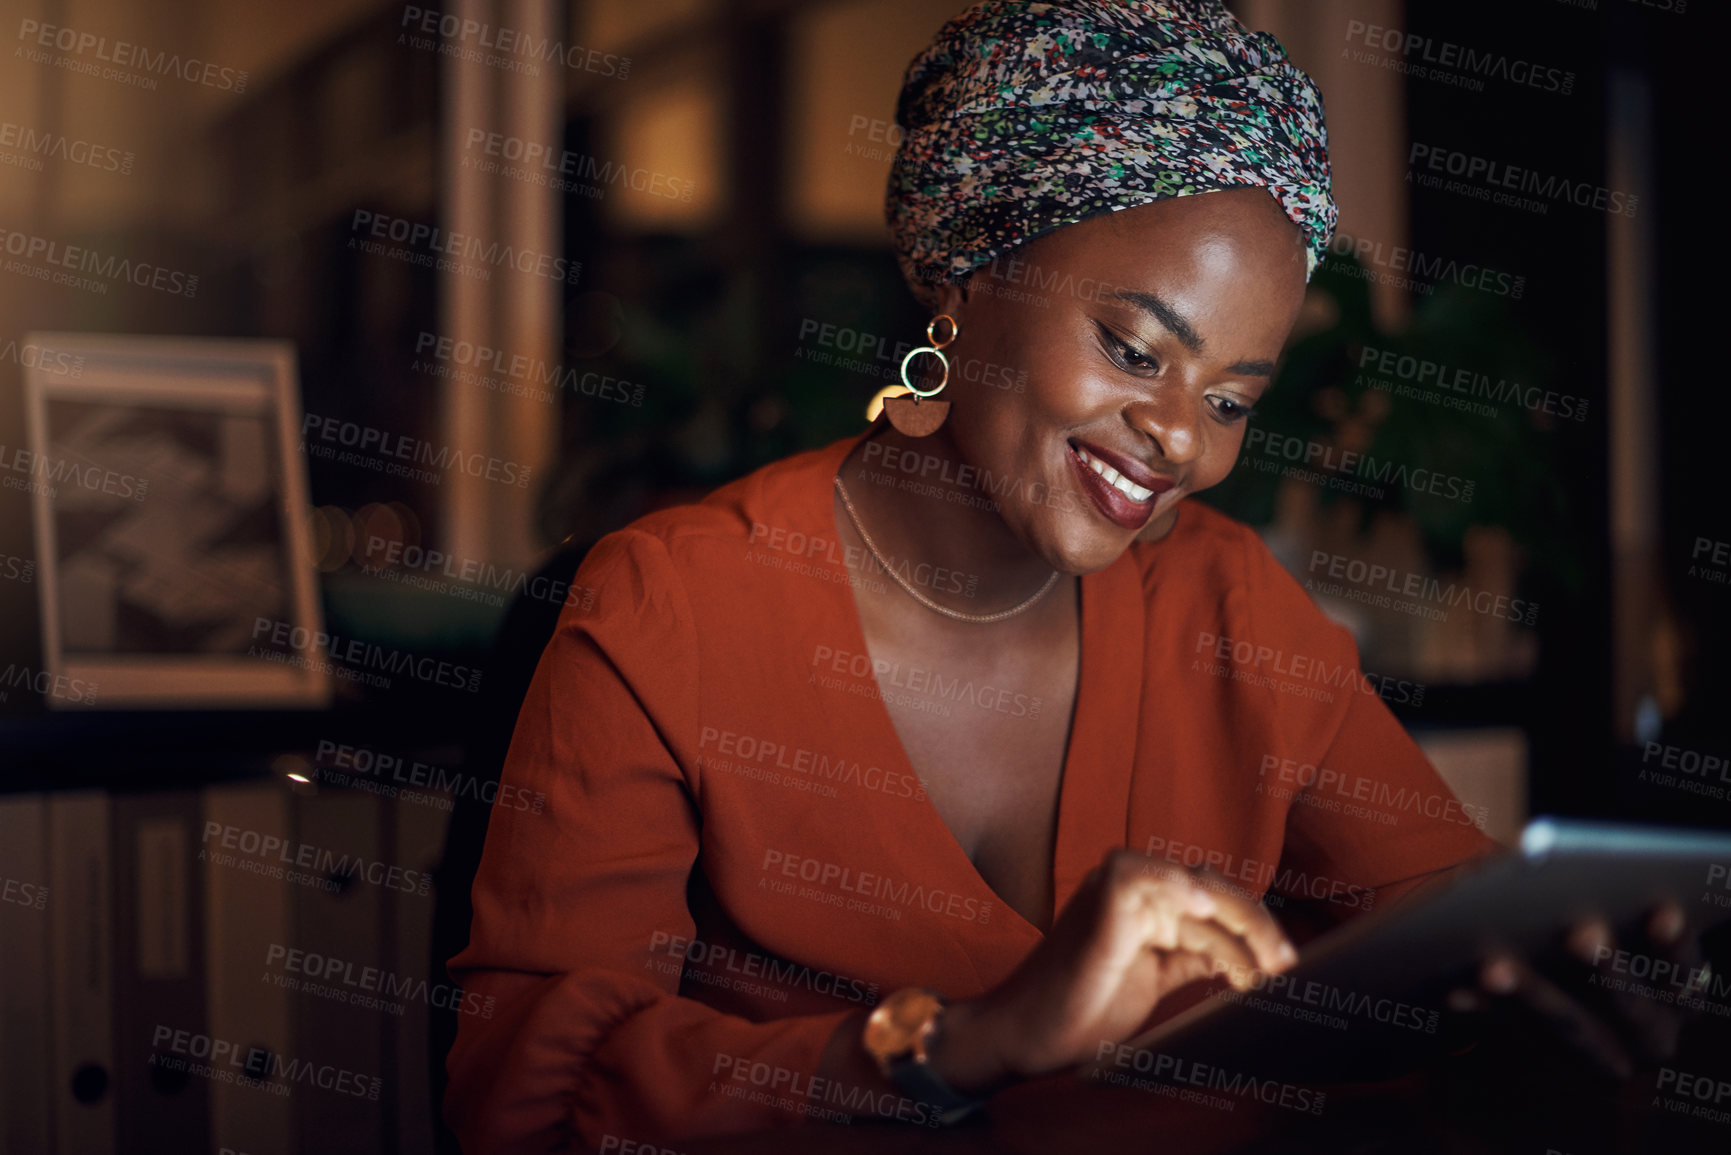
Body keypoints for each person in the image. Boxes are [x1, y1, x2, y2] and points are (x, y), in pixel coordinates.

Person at [442, 3, 1681, 1150]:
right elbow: (522, 1100)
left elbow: (1453, 948)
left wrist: (1553, 1025)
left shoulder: (1227, 605)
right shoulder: (668, 607)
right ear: (965, 274)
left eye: (1235, 398)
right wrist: (956, 1047)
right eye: (1135, 348)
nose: (1184, 441)